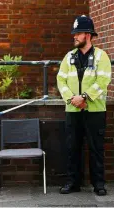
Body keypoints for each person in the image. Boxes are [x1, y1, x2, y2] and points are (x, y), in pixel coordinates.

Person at [57, 15, 112, 196]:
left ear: (87, 35)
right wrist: (72, 99)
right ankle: (73, 182)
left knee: (96, 149)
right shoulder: (68, 57)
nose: (74, 37)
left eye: (78, 33)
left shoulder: (101, 56)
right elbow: (61, 80)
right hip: (73, 109)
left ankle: (99, 184)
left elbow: (103, 80)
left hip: (95, 110)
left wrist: (85, 97)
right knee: (73, 147)